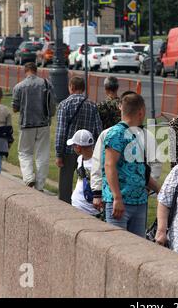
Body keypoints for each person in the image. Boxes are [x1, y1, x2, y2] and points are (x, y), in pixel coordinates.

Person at [91, 91, 162, 212]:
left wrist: (148, 188)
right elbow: (100, 164)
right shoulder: (109, 134)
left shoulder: (146, 136)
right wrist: (97, 192)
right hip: (115, 199)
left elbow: (153, 164)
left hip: (139, 199)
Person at [102, 93, 160, 237]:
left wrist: (161, 191)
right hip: (121, 204)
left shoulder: (137, 134)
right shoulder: (117, 133)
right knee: (118, 248)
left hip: (139, 202)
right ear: (141, 112)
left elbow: (141, 171)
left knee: (137, 249)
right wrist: (117, 198)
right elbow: (109, 166)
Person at [55, 76, 103, 204]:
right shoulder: (92, 105)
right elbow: (99, 129)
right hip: (87, 151)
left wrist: (59, 153)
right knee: (87, 180)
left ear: (71, 87)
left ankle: (65, 205)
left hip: (70, 150)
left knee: (66, 182)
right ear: (83, 88)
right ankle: (86, 203)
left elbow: (61, 131)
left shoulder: (64, 104)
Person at [12, 62, 56, 191]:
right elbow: (52, 104)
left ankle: (28, 177)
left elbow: (15, 107)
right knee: (42, 154)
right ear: (36, 71)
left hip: (26, 123)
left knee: (25, 153)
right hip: (43, 124)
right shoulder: (47, 84)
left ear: (25, 71)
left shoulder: (19, 87)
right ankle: (40, 185)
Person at [67, 129, 101, 217]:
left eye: (74, 146)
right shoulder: (96, 160)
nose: (73, 148)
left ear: (78, 147)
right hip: (87, 205)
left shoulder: (84, 160)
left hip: (83, 206)